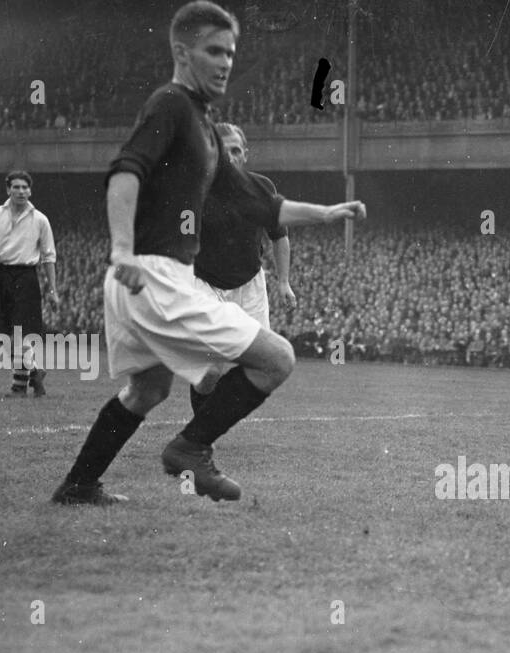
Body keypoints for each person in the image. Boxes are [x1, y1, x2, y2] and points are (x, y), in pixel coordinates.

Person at [51, 2, 364, 506]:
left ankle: (79, 485)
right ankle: (191, 449)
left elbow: (263, 203)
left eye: (231, 53)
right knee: (277, 359)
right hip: (153, 276)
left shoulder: (202, 125)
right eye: (214, 50)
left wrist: (326, 214)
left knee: (147, 391)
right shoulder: (171, 104)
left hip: (143, 279)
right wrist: (123, 250)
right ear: (181, 51)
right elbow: (125, 171)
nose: (225, 63)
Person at [188, 122, 293, 412]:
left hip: (250, 287)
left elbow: (279, 237)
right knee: (209, 373)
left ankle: (211, 420)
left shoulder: (262, 188)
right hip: (207, 286)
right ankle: (199, 433)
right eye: (223, 152)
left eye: (236, 150)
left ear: (245, 154)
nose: (230, 157)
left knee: (268, 364)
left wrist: (283, 282)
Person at [0, 170, 59, 396]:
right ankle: (31, 375)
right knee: (4, 335)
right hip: (1, 276)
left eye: (25, 187)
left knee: (21, 334)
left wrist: (53, 290)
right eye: (16, 187)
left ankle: (20, 383)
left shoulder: (40, 219)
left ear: (30, 190)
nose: (21, 191)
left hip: (26, 277)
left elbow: (49, 257)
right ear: (8, 189)